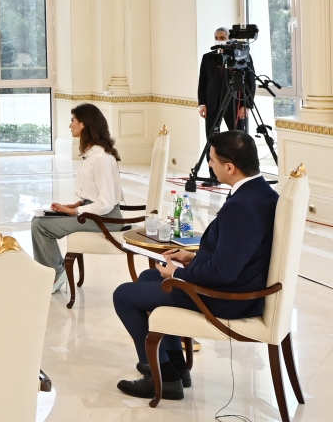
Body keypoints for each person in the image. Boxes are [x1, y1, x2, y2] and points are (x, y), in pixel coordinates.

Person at [113, 131, 278, 401]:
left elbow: (223, 272)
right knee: (148, 276)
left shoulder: (242, 206)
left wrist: (178, 273)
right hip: (244, 286)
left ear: (229, 167)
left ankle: (160, 376)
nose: (209, 164)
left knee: (123, 296)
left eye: (212, 160)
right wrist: (193, 258)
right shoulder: (262, 194)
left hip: (227, 299)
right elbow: (239, 252)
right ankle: (176, 368)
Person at [31, 103, 124, 294]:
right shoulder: (92, 154)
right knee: (37, 219)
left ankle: (56, 273)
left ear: (83, 124)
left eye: (73, 120)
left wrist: (74, 211)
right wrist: (78, 203)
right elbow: (95, 194)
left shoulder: (100, 158)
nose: (70, 125)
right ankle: (52, 272)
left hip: (106, 219)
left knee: (40, 225)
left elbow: (106, 203)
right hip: (94, 213)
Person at [198, 26, 253, 182]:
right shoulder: (208, 57)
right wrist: (202, 104)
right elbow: (203, 82)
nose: (219, 40)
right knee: (212, 139)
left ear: (230, 39)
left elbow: (250, 82)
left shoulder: (242, 57)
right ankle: (213, 176)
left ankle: (241, 175)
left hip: (235, 103)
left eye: (222, 37)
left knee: (238, 139)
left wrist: (246, 105)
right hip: (212, 103)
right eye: (217, 37)